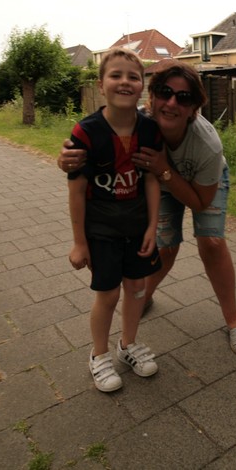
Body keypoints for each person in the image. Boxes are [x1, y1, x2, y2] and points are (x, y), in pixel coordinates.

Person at [59, 60, 236, 355]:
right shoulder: (136, 122)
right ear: (152, 97)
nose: (172, 103)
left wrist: (164, 169)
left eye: (183, 97)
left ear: (194, 107)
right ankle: (143, 297)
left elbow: (199, 203)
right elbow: (95, 140)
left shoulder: (207, 144)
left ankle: (234, 320)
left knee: (211, 242)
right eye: (164, 92)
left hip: (201, 184)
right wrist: (67, 159)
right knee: (164, 246)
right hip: (157, 182)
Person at [66, 47, 163, 393]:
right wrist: (79, 243)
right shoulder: (86, 132)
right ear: (100, 84)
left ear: (142, 86)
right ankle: (99, 354)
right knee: (107, 296)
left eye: (133, 77)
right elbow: (77, 190)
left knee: (136, 290)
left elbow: (151, 180)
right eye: (116, 75)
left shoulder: (150, 130)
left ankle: (128, 345)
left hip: (137, 228)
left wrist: (152, 227)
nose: (125, 82)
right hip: (102, 231)